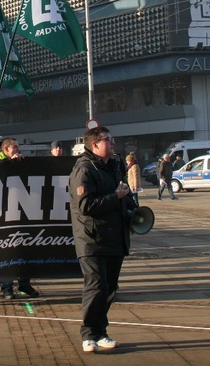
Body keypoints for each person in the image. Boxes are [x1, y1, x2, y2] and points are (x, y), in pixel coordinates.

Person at [68, 126, 137, 353]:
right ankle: (88, 334)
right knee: (96, 286)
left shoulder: (114, 167)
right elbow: (86, 205)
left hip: (115, 237)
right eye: (108, 140)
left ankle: (100, 332)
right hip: (92, 239)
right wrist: (115, 196)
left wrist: (132, 212)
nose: (113, 143)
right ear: (94, 144)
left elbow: (123, 197)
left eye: (112, 139)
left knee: (110, 288)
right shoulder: (84, 169)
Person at [0, 137, 39, 299]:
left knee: (24, 250)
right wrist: (10, 163)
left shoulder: (22, 161)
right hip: (5, 214)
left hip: (22, 212)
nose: (18, 150)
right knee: (7, 252)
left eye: (18, 147)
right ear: (6, 150)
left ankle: (24, 284)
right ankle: (7, 287)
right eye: (14, 147)